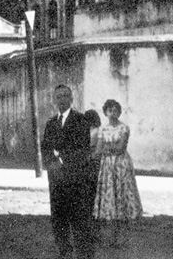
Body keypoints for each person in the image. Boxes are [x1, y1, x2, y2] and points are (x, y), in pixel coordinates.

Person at [41, 85, 94, 259]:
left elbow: (82, 148)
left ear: (71, 99)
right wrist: (51, 163)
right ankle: (64, 252)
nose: (62, 100)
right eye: (58, 97)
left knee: (78, 219)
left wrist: (61, 159)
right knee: (58, 218)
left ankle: (83, 253)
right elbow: (46, 148)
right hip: (56, 179)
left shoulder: (80, 120)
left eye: (65, 96)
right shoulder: (51, 124)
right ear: (54, 100)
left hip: (75, 179)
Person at [93, 99, 142, 247]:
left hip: (121, 165)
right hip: (107, 166)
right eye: (110, 110)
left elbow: (121, 147)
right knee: (110, 195)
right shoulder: (102, 129)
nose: (112, 113)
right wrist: (109, 147)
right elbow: (99, 149)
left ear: (119, 112)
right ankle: (111, 237)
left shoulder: (124, 128)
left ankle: (123, 237)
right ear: (105, 112)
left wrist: (108, 147)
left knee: (122, 194)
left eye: (115, 110)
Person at [83, 109, 102, 237]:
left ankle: (91, 228)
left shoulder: (95, 132)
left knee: (90, 196)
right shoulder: (95, 131)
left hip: (92, 164)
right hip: (92, 165)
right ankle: (93, 228)